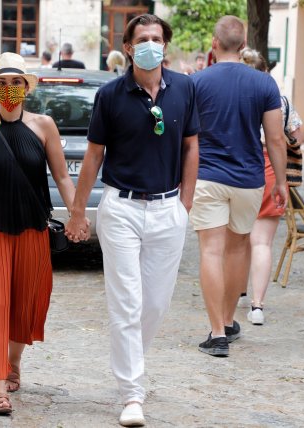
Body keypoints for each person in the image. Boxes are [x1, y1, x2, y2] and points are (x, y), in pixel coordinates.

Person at [66, 13, 199, 427]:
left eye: (157, 38)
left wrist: (185, 205)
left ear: (166, 44)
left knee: (154, 305)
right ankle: (132, 393)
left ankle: (131, 366)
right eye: (142, 38)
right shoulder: (110, 95)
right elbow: (93, 156)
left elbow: (192, 147)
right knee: (126, 302)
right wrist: (77, 211)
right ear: (127, 48)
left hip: (167, 209)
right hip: (121, 209)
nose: (150, 44)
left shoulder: (185, 89)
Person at [0, 52, 81, 416]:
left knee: (27, 304)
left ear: (26, 88)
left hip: (33, 227)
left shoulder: (44, 126)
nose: (9, 89)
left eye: (15, 83)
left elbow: (63, 177)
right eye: (2, 84)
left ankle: (13, 361)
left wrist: (76, 215)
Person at [189, 16, 287, 357]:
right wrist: (282, 182)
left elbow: (185, 138)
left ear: (214, 44)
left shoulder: (196, 82)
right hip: (249, 179)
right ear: (243, 46)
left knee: (211, 251)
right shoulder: (264, 84)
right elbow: (275, 138)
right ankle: (229, 321)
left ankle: (217, 333)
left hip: (208, 176)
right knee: (237, 249)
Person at [240, 47, 304, 325]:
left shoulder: (236, 96)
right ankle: (257, 306)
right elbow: (298, 135)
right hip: (270, 168)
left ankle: (238, 291)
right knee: (262, 242)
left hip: (239, 165)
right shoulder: (279, 99)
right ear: (265, 71)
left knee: (239, 238)